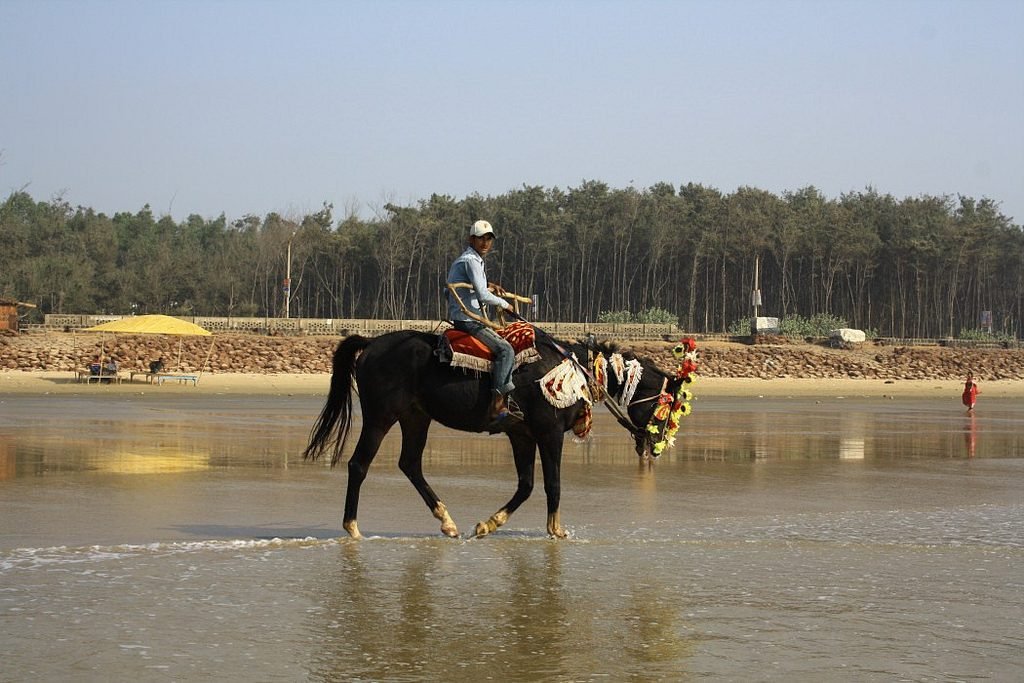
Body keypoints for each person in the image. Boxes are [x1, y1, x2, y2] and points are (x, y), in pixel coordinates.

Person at [446, 219, 523, 423]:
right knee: (506, 350)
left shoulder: (473, 259)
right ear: (472, 239)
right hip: (467, 320)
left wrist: (490, 285)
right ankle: (497, 404)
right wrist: (505, 305)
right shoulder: (471, 260)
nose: (486, 243)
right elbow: (481, 294)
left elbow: (479, 286)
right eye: (481, 239)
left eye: (489, 239)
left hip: (464, 316)